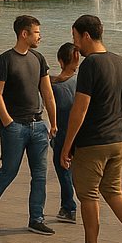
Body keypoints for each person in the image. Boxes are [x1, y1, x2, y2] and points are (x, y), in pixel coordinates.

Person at [61, 15, 122, 243]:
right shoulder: (120, 62)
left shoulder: (90, 65)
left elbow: (81, 107)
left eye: (75, 37)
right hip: (117, 141)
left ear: (86, 35)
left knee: (88, 194)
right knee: (113, 191)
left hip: (93, 142)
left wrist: (68, 145)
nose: (74, 44)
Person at [0, 15, 57, 235]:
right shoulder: (6, 60)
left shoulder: (39, 58)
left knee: (40, 174)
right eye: (36, 32)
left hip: (38, 125)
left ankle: (36, 218)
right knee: (9, 170)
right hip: (14, 127)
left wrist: (53, 122)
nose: (40, 37)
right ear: (24, 34)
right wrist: (7, 121)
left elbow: (48, 94)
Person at [50, 42, 81, 223]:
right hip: (80, 133)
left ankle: (69, 207)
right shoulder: (81, 82)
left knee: (63, 170)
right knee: (77, 171)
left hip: (62, 133)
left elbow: (49, 109)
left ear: (61, 61)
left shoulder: (54, 86)